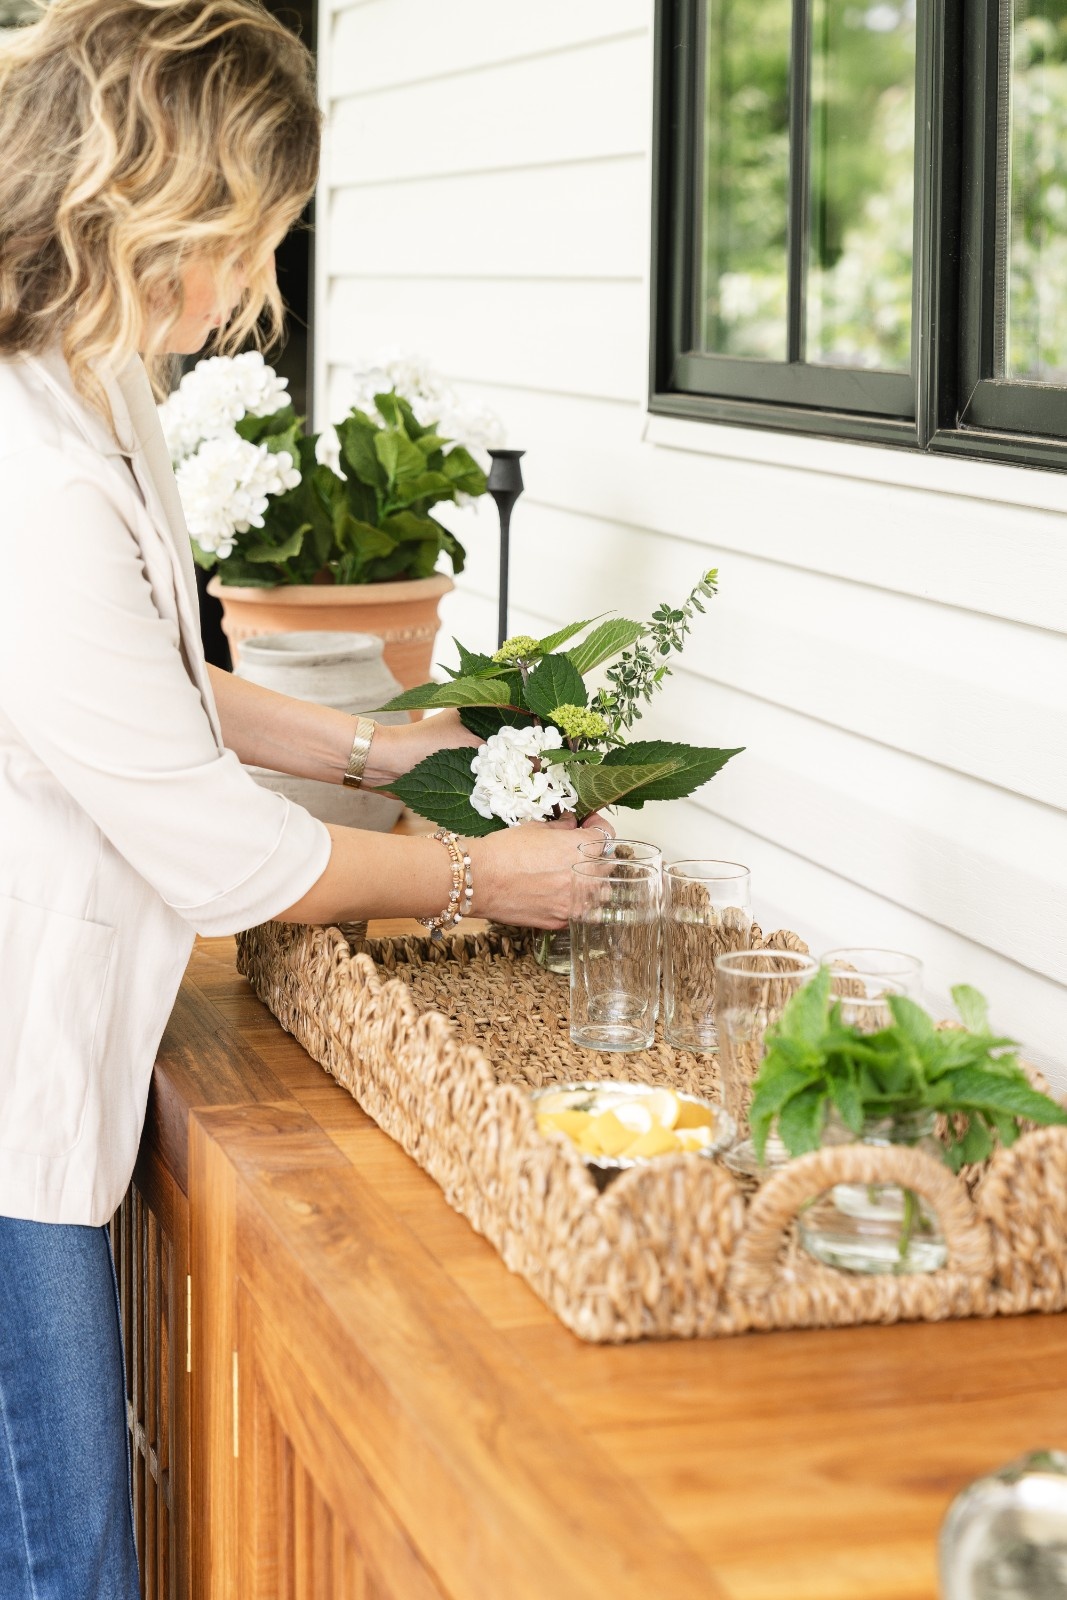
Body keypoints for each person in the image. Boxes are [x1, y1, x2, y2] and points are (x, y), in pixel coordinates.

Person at [0, 2, 607, 1593]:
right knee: (68, 1563)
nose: (256, 284)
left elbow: (143, 680)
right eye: (253, 235)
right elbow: (219, 859)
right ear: (161, 208)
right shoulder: (32, 466)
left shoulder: (100, 387)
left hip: (48, 1059)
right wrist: (491, 885)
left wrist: (384, 751)